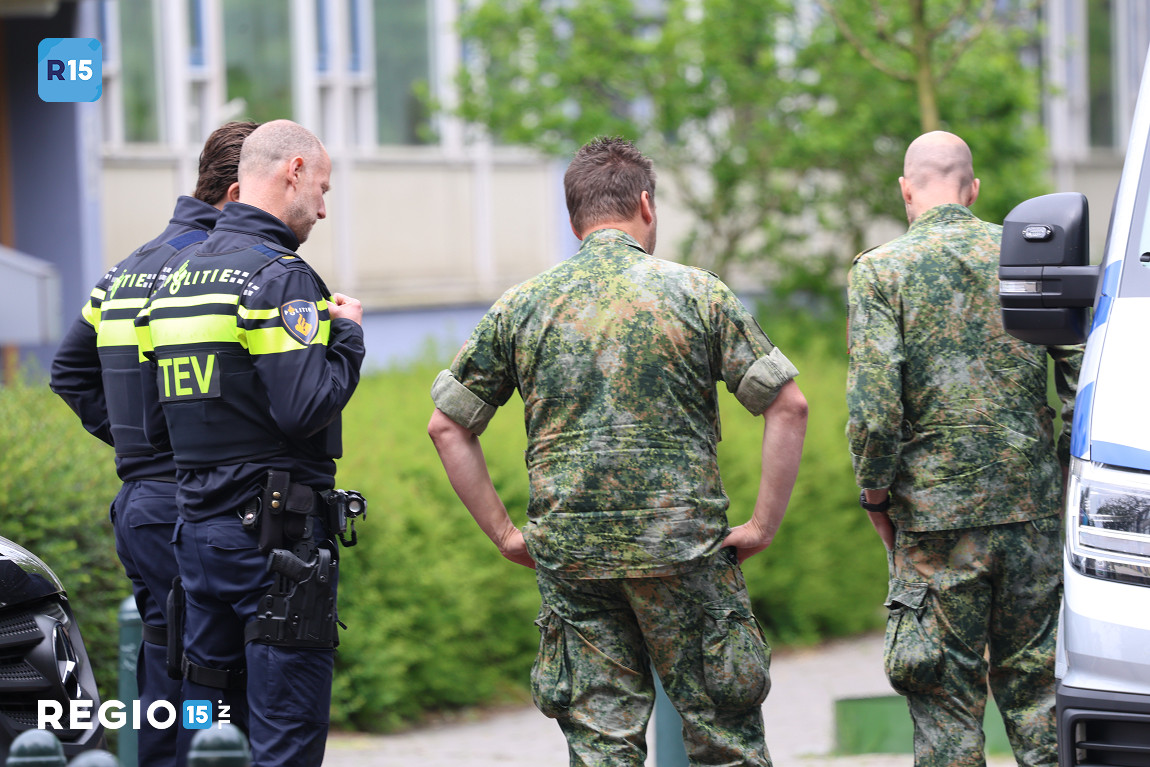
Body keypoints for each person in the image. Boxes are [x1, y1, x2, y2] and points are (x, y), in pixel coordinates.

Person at [428, 136, 808, 767]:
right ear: (646, 205)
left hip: (574, 558)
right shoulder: (699, 294)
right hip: (684, 550)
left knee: (602, 747)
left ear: (573, 217)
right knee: (725, 739)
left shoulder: (521, 306)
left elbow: (448, 426)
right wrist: (763, 525)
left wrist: (505, 535)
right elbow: (787, 406)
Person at [846, 131, 1081, 767]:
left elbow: (873, 409)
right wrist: (1059, 465)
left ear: (906, 189)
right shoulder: (1026, 260)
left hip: (933, 524)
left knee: (944, 708)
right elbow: (1083, 366)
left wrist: (874, 493)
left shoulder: (881, 271)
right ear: (973, 189)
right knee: (1039, 700)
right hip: (1029, 514)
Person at [134, 119, 365, 767]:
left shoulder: (175, 279)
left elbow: (156, 422)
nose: (322, 207)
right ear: (292, 170)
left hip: (197, 549)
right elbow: (305, 408)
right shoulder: (280, 277)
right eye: (320, 187)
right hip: (276, 554)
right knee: (283, 734)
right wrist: (346, 336)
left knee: (209, 726)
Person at [49, 120, 258, 767]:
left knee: (168, 677)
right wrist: (176, 448)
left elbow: (68, 371)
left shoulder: (129, 267)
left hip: (141, 502)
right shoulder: (203, 270)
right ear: (233, 194)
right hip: (189, 502)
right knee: (210, 689)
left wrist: (135, 445)